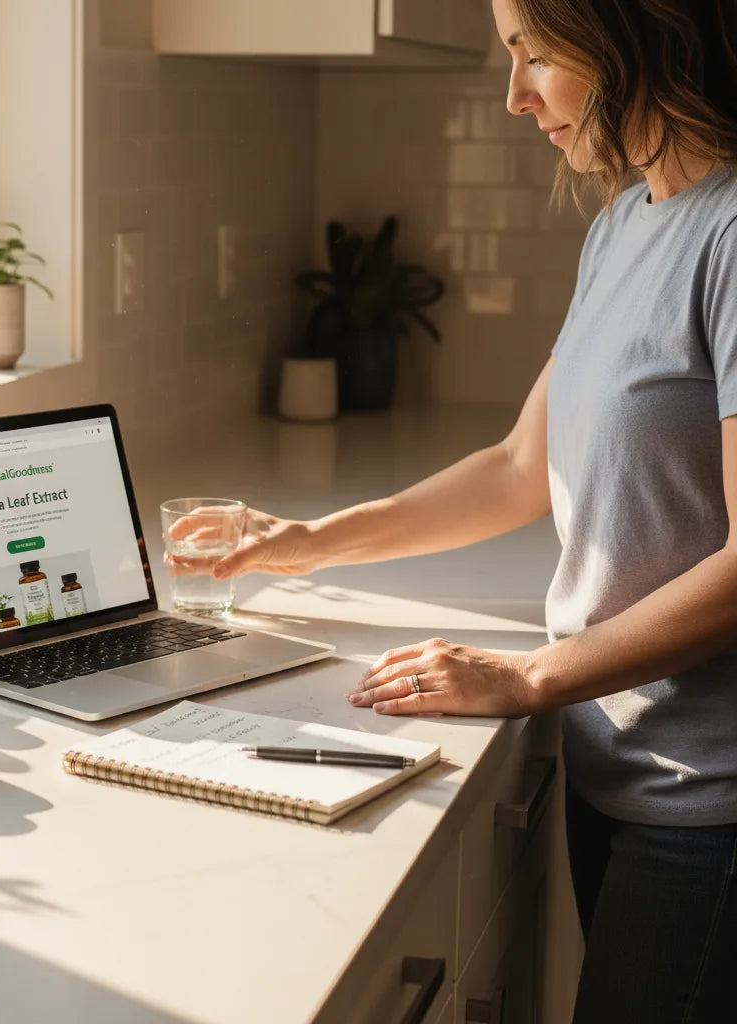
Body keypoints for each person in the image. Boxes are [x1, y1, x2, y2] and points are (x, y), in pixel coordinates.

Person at [181, 1, 737, 1020]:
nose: (515, 95)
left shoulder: (733, 235)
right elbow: (520, 464)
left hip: (707, 803)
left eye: (533, 55)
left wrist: (528, 672)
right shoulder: (626, 223)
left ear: (625, 32)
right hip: (615, 760)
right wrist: (306, 541)